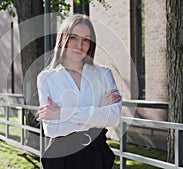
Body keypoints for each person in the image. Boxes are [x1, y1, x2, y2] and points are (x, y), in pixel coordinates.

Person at [37, 14, 122, 169]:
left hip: (97, 156)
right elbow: (52, 128)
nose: (79, 45)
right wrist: (98, 113)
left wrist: (62, 114)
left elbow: (114, 118)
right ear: (63, 39)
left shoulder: (104, 74)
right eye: (74, 38)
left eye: (86, 39)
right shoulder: (46, 78)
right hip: (61, 159)